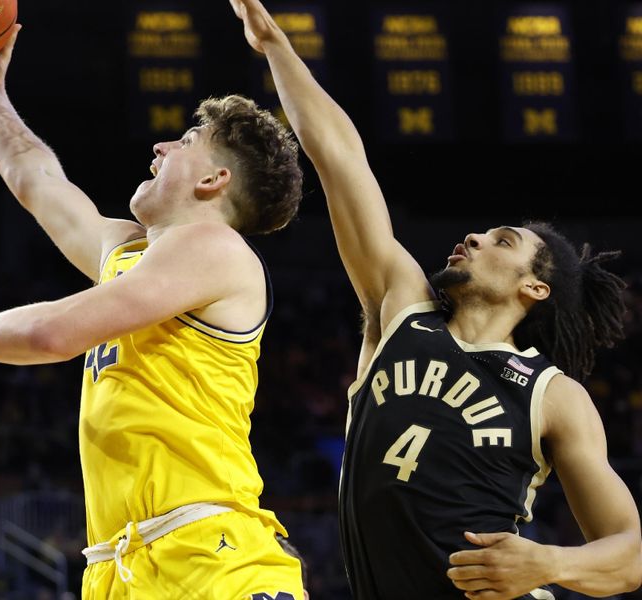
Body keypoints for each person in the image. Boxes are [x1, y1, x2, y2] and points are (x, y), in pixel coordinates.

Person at [0, 25, 307, 599]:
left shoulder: (214, 248)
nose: (161, 147)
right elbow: (38, 180)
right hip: (122, 563)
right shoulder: (133, 255)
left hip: (210, 555)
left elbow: (52, 335)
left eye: (185, 140)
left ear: (213, 179)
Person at [229, 0, 642, 598]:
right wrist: (276, 48)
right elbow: (342, 160)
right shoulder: (401, 308)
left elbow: (629, 554)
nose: (473, 236)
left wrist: (549, 564)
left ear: (535, 287)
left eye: (501, 241)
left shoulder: (552, 394)